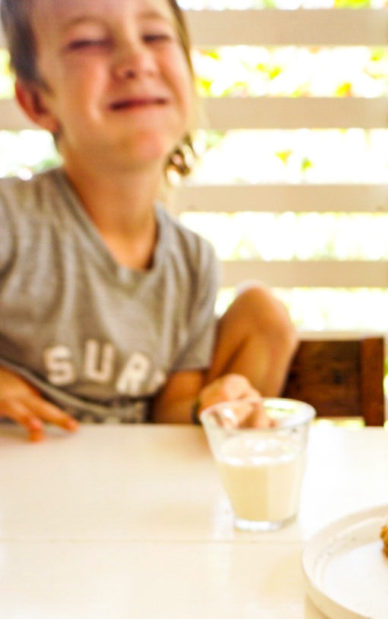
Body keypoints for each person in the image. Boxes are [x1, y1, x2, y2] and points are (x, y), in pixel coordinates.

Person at [0, 0, 298, 442]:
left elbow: (171, 412)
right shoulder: (11, 220)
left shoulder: (193, 262)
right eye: (87, 41)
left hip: (126, 497)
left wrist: (210, 406)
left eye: (155, 36)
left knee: (265, 312)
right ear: (37, 101)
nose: (135, 60)